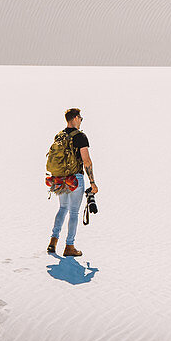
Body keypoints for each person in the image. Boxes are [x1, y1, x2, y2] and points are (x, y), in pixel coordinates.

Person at [48, 107, 98, 257]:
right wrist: (93, 182)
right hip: (75, 179)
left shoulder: (60, 136)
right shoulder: (80, 136)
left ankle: (53, 241)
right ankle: (69, 246)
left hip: (59, 178)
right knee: (74, 212)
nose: (81, 120)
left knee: (62, 208)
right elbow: (87, 161)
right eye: (80, 118)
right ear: (75, 118)